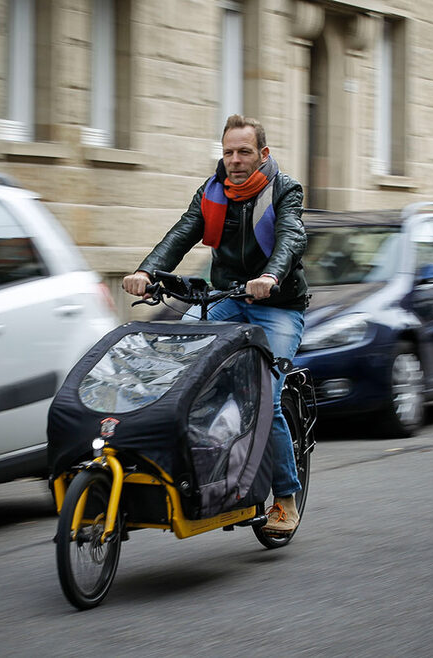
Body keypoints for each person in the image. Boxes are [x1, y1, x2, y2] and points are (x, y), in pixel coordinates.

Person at [122, 114, 308, 534]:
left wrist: (270, 277)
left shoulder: (285, 190)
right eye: (228, 152)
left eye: (244, 152)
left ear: (263, 154)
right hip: (226, 298)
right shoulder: (212, 192)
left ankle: (284, 498)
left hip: (277, 306)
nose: (235, 160)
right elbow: (181, 234)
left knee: (267, 397)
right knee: (170, 358)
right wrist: (147, 271)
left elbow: (291, 239)